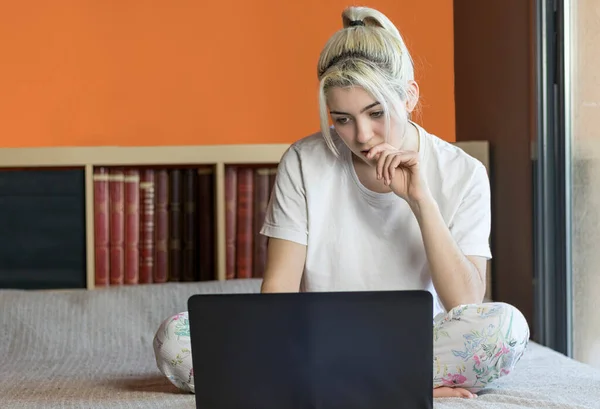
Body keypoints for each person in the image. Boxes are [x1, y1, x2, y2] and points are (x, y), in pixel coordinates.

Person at [153, 6, 530, 399]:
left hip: (416, 345)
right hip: (314, 343)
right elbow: (278, 289)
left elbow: (466, 303)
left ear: (410, 96)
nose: (362, 135)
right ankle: (394, 383)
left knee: (504, 329)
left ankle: (341, 380)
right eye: (342, 119)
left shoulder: (463, 172)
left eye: (376, 113)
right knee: (176, 339)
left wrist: (421, 201)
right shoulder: (303, 161)